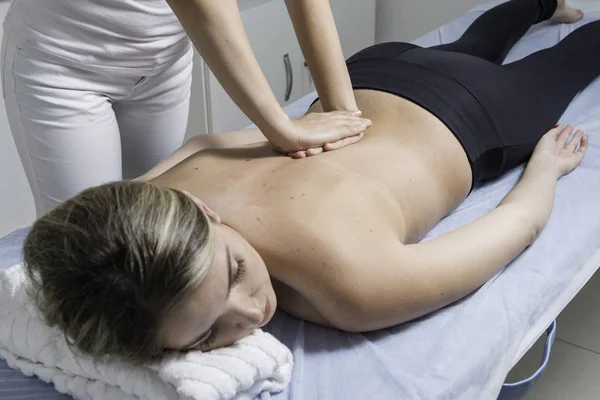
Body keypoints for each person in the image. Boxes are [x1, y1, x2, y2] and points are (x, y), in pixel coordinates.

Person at [22, 0, 595, 363]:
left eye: (235, 273)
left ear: (206, 213)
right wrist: (304, 123)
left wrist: (543, 170)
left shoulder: (351, 286)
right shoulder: (163, 194)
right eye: (205, 338)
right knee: (471, 44)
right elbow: (199, 145)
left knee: (572, 58)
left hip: (477, 112)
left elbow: (518, 223)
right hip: (372, 72)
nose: (251, 315)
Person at [1, 0, 370, 216]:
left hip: (163, 61)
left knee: (156, 220)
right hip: (64, 67)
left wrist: (345, 114)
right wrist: (283, 128)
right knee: (83, 248)